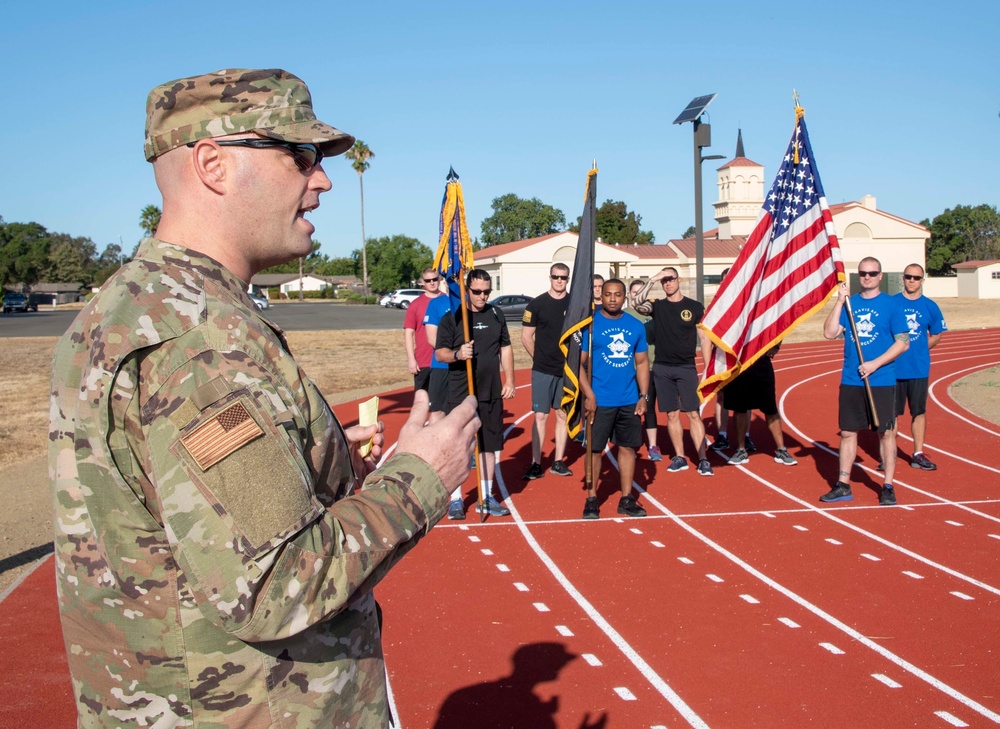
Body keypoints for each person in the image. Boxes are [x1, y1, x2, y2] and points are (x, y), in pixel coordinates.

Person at [48, 68, 482, 728]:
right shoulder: (198, 339)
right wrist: (419, 477)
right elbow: (280, 583)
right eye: (300, 155)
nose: (322, 180)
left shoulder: (132, 307)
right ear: (214, 164)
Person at [821, 257, 909, 505]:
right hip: (851, 379)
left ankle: (888, 485)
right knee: (848, 433)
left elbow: (903, 342)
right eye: (862, 273)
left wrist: (874, 364)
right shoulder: (850, 304)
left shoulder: (891, 305)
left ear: (880, 275)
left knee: (886, 433)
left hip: (881, 380)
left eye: (872, 273)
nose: (867, 277)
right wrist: (839, 302)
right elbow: (829, 333)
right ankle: (843, 484)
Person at [437, 269, 517, 518]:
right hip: (462, 393)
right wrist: (458, 354)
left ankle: (486, 496)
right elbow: (440, 353)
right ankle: (457, 499)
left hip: (491, 391)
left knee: (489, 446)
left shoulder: (495, 313)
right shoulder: (453, 318)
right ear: (467, 290)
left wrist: (510, 379)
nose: (482, 296)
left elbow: (506, 348)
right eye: (477, 292)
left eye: (486, 291)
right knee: (460, 446)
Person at [579, 280, 650, 519]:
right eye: (608, 294)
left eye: (617, 295)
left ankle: (627, 498)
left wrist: (643, 396)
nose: (612, 299)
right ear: (601, 296)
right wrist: (588, 394)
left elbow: (641, 363)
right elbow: (577, 365)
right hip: (599, 401)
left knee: (628, 448)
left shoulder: (636, 326)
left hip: (628, 399)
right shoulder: (589, 326)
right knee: (595, 451)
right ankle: (591, 499)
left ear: (624, 298)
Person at [633, 267, 714, 476]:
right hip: (662, 367)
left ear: (679, 280)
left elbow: (704, 338)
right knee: (671, 414)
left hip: (686, 367)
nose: (667, 283)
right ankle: (680, 457)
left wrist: (708, 368)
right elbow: (635, 303)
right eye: (664, 281)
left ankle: (703, 459)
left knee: (693, 414)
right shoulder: (656, 306)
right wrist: (652, 278)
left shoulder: (694, 307)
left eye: (670, 279)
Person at [521, 263, 572, 479]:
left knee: (562, 415)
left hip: (566, 371)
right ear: (549, 277)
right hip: (542, 369)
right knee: (541, 416)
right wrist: (539, 358)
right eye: (556, 277)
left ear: (568, 279)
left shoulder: (574, 303)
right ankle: (536, 463)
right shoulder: (537, 304)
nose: (559, 280)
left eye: (563, 277)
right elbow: (526, 337)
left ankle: (558, 461)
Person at [893, 263, 947, 470]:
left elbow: (937, 334)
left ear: (922, 280)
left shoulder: (930, 306)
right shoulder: (893, 303)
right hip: (894, 369)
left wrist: (921, 349)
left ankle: (917, 453)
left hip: (918, 369)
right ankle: (890, 453)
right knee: (892, 414)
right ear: (903, 278)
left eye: (916, 277)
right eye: (908, 277)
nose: (912, 281)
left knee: (919, 412)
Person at [721, 344, 798, 466]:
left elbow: (777, 325)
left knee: (770, 408)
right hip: (738, 364)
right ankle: (741, 450)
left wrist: (776, 346)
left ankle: (781, 449)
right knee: (739, 408)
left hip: (761, 363)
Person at [625, 279, 661, 461]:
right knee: (631, 407)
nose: (637, 295)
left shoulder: (653, 313)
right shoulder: (624, 314)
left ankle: (653, 445)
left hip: (651, 366)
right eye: (634, 292)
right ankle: (632, 443)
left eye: (641, 292)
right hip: (629, 369)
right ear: (629, 296)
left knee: (649, 406)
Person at [404, 266, 443, 391]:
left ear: (439, 279)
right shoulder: (415, 305)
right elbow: (408, 333)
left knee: (444, 405)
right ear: (422, 282)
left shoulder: (448, 301)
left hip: (444, 360)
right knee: (422, 402)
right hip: (423, 361)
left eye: (434, 279)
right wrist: (411, 359)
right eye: (427, 280)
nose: (431, 282)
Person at [424, 284, 455, 423]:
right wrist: (454, 355)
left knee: (464, 411)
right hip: (441, 366)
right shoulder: (436, 304)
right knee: (438, 411)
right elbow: (431, 338)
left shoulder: (470, 302)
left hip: (465, 368)